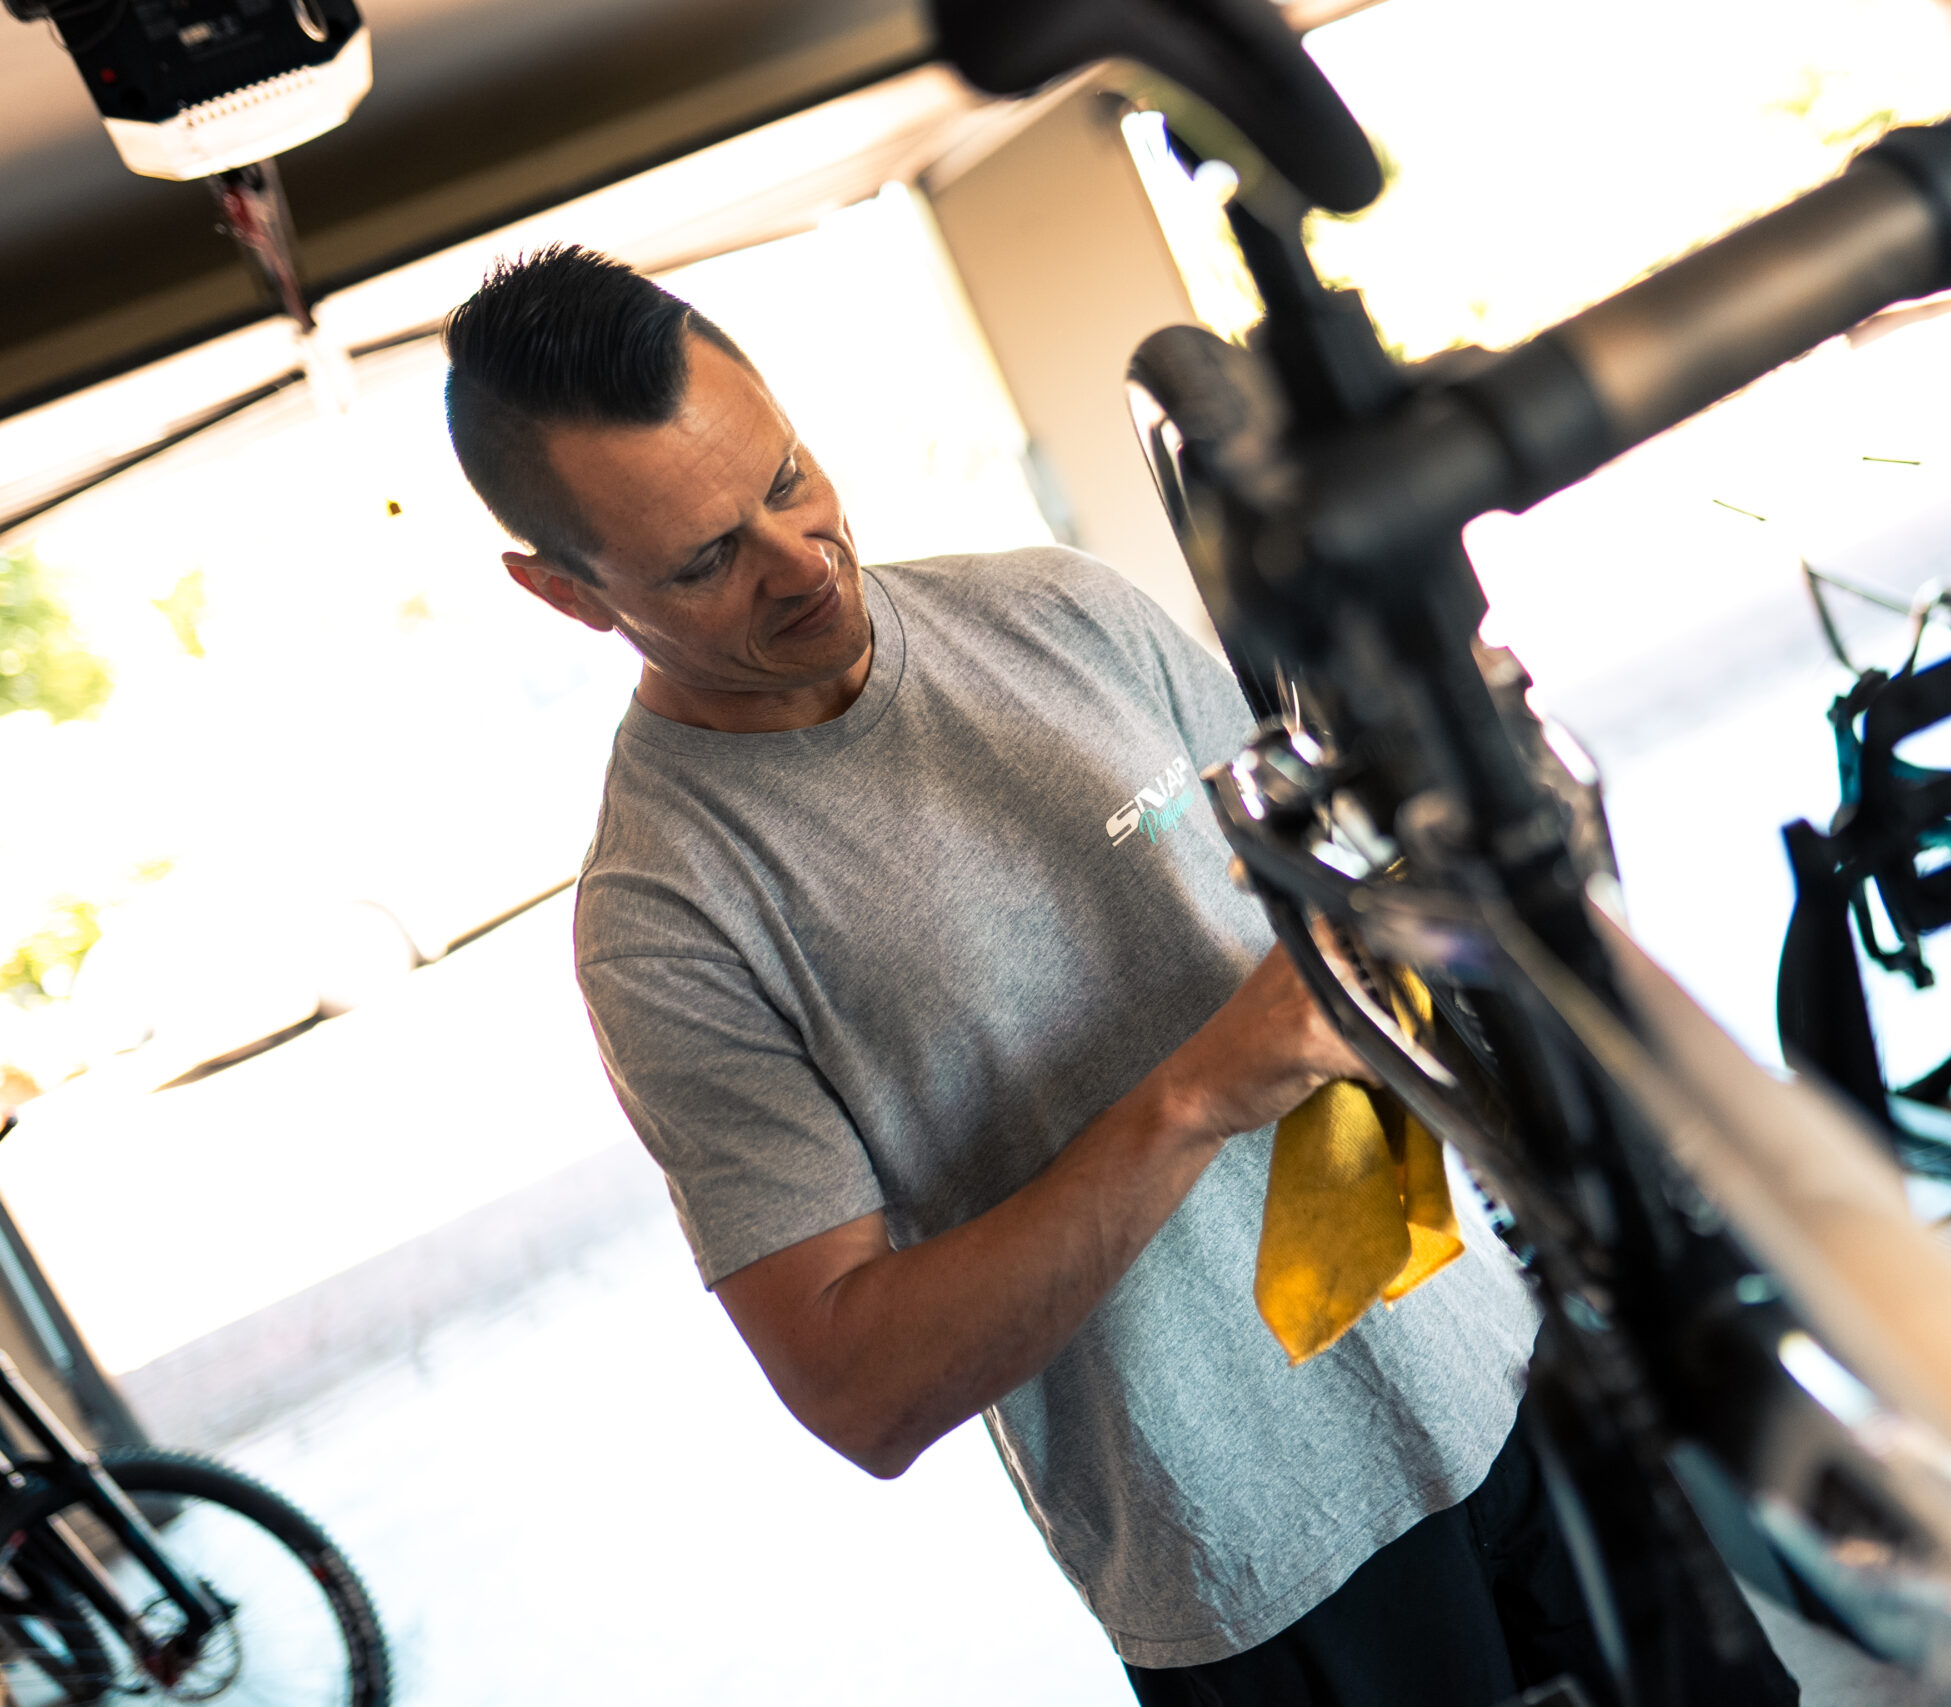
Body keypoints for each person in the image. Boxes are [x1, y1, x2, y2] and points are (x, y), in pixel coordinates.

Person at [441, 244, 1795, 1707]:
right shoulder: (665, 917)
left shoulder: (1066, 613)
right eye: (706, 559)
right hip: (1259, 1573)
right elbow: (860, 1387)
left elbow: (1357, 922)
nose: (800, 560)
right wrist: (1198, 1095)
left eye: (789, 478)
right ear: (564, 593)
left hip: (1507, 1377)